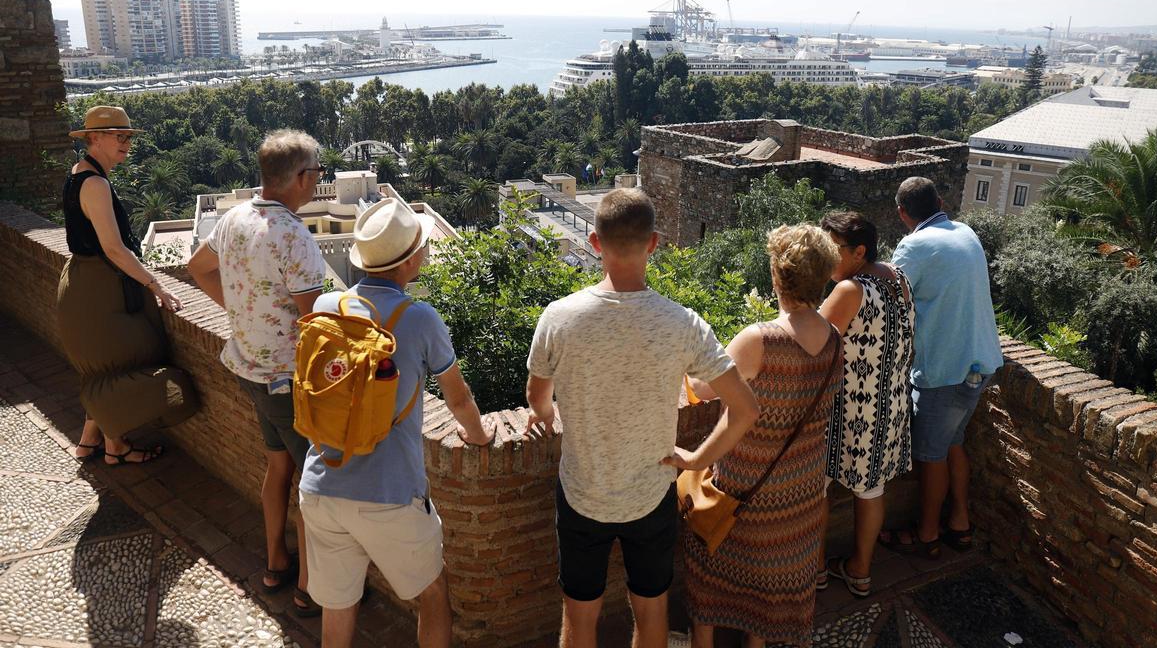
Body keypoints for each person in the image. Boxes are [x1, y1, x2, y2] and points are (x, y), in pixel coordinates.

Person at [525, 188, 759, 648]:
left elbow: (538, 396)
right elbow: (745, 409)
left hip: (582, 492)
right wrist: (696, 459)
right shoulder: (683, 324)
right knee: (651, 611)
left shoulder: (559, 318)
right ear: (653, 243)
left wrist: (545, 414)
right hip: (652, 494)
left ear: (594, 243)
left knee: (579, 618)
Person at [298, 198, 494, 648]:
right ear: (408, 261)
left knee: (339, 604)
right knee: (432, 591)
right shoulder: (420, 318)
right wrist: (479, 436)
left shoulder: (330, 303)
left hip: (321, 484)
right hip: (389, 494)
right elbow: (458, 397)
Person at [187, 129, 327, 617]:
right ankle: (309, 589)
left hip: (249, 367)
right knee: (315, 481)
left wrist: (240, 314)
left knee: (278, 466)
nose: (319, 182)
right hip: (287, 381)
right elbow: (316, 324)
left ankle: (274, 562)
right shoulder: (294, 237)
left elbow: (197, 267)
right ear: (303, 179)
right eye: (319, 173)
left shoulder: (234, 218)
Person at [684, 224, 842, 648]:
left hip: (743, 491)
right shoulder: (835, 341)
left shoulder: (760, 340)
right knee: (768, 593)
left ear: (777, 276)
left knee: (709, 584)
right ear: (824, 276)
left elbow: (700, 390)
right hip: (801, 493)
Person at [57, 105, 197, 466]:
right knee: (140, 360)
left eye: (128, 137)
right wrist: (157, 287)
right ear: (94, 138)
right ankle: (114, 444)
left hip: (85, 287)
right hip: (99, 292)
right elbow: (114, 249)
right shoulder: (96, 183)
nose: (126, 144)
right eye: (119, 137)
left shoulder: (79, 173)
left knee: (110, 368)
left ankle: (93, 441)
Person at [881, 177, 1003, 556]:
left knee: (931, 456)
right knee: (953, 444)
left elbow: (891, 301)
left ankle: (928, 536)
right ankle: (960, 523)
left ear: (902, 213)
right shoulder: (966, 232)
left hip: (945, 370)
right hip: (981, 361)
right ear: (940, 200)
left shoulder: (914, 245)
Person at [816, 211, 914, 598]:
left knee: (817, 488)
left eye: (832, 249)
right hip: (888, 406)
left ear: (859, 251)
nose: (826, 257)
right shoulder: (897, 277)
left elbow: (811, 342)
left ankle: (818, 569)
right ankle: (861, 570)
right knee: (871, 491)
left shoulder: (849, 290)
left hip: (848, 409)